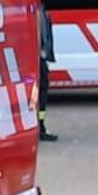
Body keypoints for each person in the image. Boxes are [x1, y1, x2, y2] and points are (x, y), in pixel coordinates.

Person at [36, 11, 58, 142]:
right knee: (38, 93)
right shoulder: (33, 8)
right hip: (35, 58)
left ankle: (41, 125)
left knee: (42, 93)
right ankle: (39, 127)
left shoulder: (40, 8)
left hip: (40, 58)